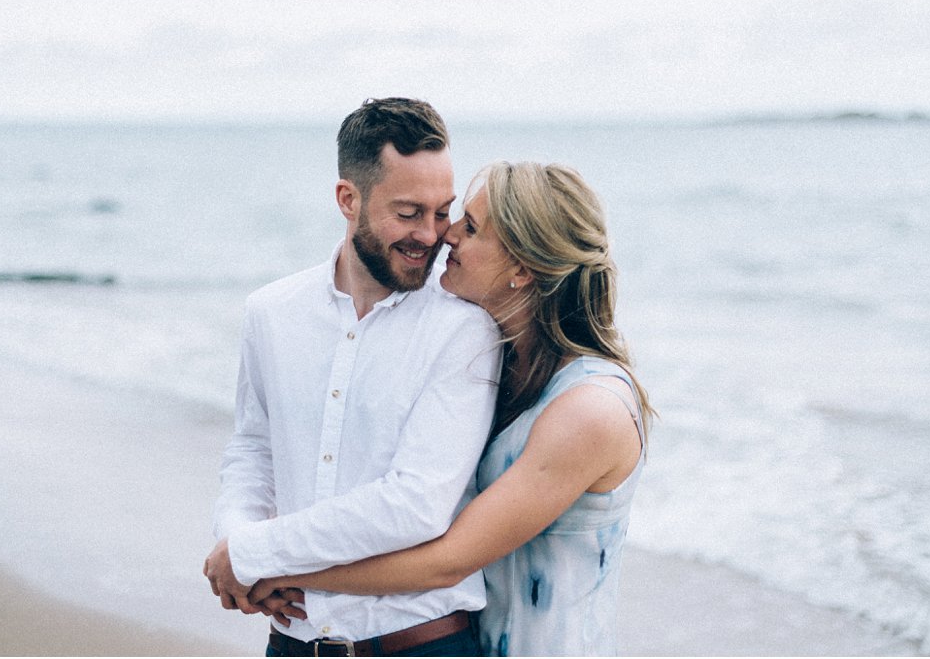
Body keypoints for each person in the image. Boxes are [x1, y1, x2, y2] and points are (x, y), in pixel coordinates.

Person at [247, 161, 655, 656]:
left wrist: (280, 569)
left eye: (473, 227)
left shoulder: (590, 409)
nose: (448, 235)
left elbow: (448, 561)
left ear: (523, 269)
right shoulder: (503, 369)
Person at [203, 98, 502, 656]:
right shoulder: (271, 311)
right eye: (408, 212)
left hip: (419, 645)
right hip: (291, 643)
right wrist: (235, 540)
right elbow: (253, 449)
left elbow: (416, 504)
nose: (431, 235)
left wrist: (257, 554)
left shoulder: (466, 331)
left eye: (442, 212)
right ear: (349, 199)